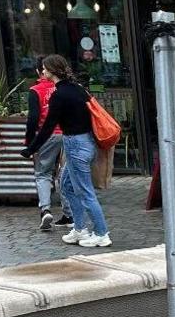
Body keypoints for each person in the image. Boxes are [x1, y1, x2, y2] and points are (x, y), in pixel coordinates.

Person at [22, 55, 110, 247]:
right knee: (67, 185)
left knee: (85, 192)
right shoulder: (78, 89)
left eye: (45, 69)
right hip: (84, 142)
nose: (43, 72)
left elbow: (47, 127)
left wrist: (31, 148)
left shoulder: (59, 95)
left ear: (52, 71)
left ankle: (102, 233)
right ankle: (79, 229)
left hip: (76, 145)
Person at [24, 69, 72, 232]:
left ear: (38, 71)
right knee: (64, 174)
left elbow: (33, 119)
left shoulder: (35, 90)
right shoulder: (63, 88)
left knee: (43, 173)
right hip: (67, 134)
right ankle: (69, 214)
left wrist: (30, 144)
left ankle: (45, 210)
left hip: (47, 136)